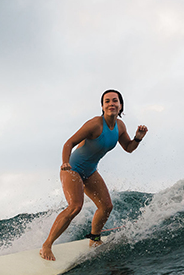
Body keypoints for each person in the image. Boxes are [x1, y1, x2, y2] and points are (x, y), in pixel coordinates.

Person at [40, 89, 148, 261]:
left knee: (106, 206)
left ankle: (95, 239)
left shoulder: (120, 126)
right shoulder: (95, 124)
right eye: (107, 101)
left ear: (120, 106)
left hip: (90, 170)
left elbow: (128, 148)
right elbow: (69, 142)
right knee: (75, 206)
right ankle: (47, 245)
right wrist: (65, 163)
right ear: (102, 106)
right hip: (72, 168)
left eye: (115, 101)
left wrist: (138, 138)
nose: (111, 104)